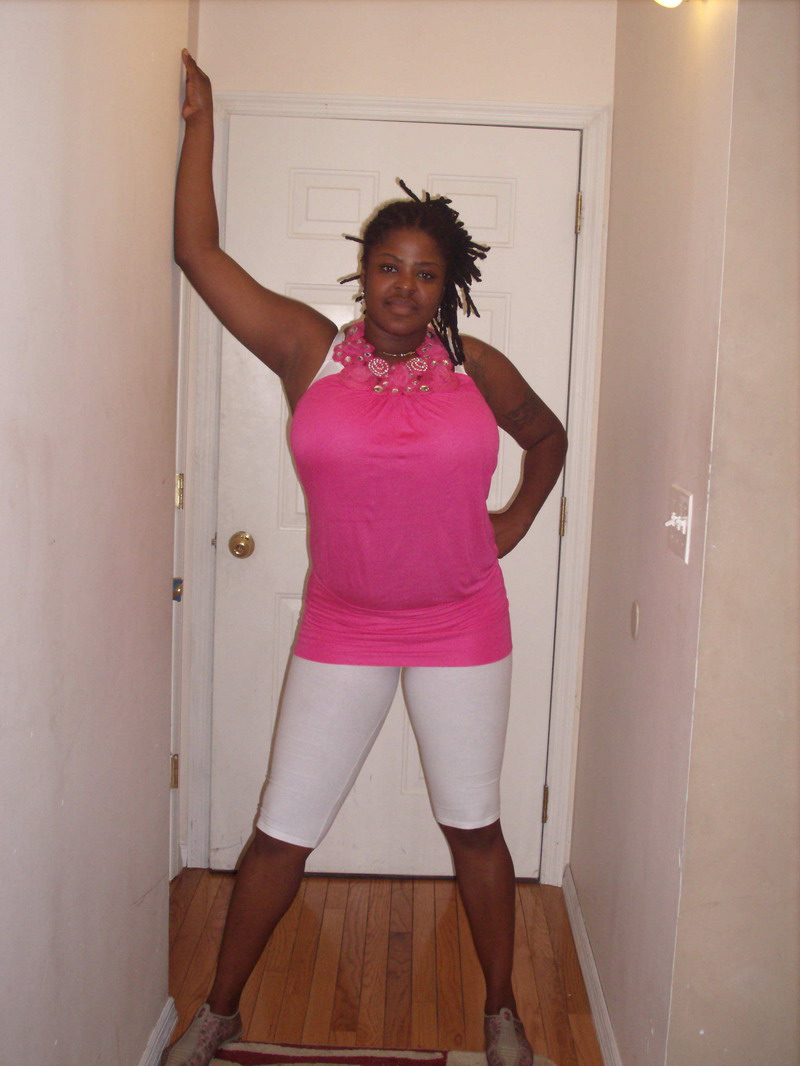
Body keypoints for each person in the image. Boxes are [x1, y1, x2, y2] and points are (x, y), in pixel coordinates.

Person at [164, 49, 567, 1066]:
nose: (403, 286)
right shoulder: (308, 350)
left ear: (446, 287)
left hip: (461, 626)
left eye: (425, 273)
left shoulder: (477, 368)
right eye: (389, 265)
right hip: (341, 626)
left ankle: (501, 1010)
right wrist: (202, 123)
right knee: (281, 831)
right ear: (363, 271)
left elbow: (547, 436)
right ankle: (218, 1009)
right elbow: (198, 254)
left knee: (473, 828)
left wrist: (514, 520)